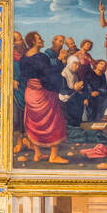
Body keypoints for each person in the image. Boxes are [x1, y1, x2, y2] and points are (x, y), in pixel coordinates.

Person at [14, 32, 70, 163]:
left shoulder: (23, 58)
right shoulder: (41, 57)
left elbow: (23, 77)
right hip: (43, 93)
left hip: (30, 93)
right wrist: (61, 61)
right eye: (39, 39)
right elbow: (49, 75)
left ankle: (37, 154)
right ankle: (53, 156)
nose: (42, 40)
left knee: (34, 124)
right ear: (33, 42)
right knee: (55, 121)